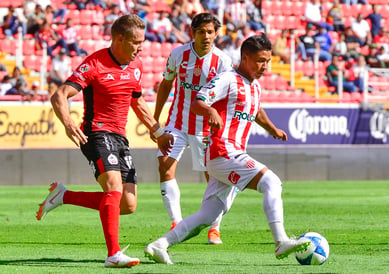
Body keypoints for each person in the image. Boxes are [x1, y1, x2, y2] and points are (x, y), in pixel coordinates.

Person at [144, 34, 311, 264]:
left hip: (227, 155)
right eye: (260, 60)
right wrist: (211, 111)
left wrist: (272, 128)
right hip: (223, 150)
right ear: (245, 57)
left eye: (268, 61)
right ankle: (281, 241)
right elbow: (197, 102)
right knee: (271, 182)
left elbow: (256, 110)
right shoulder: (228, 79)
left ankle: (158, 245)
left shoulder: (255, 86)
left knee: (207, 216)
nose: (265, 66)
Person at [36, 14, 174, 268]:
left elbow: (138, 102)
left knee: (127, 204)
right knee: (113, 186)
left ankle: (64, 197)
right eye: (136, 42)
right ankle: (113, 254)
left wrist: (157, 131)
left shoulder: (136, 66)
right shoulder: (94, 64)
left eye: (142, 42)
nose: (141, 47)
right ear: (119, 39)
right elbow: (60, 95)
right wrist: (68, 124)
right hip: (96, 133)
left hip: (120, 137)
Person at [153, 12, 233, 245]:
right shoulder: (178, 54)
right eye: (201, 32)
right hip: (177, 122)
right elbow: (166, 84)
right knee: (164, 166)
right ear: (193, 33)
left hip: (205, 129)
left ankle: (214, 227)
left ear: (217, 33)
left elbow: (226, 97)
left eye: (210, 32)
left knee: (214, 177)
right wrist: (155, 119)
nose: (206, 36)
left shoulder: (223, 62)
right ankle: (177, 222)